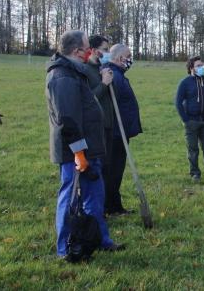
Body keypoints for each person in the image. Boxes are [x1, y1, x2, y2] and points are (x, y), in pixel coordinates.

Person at [45, 30, 124, 257]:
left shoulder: (75, 72)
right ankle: (67, 247)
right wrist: (79, 152)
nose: (92, 51)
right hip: (75, 153)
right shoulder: (62, 76)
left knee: (94, 198)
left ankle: (99, 239)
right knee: (70, 198)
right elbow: (67, 120)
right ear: (77, 51)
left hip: (90, 149)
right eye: (88, 47)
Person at [105, 43, 142, 216]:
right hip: (116, 133)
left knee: (116, 171)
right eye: (129, 57)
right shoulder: (114, 75)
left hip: (121, 131)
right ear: (120, 58)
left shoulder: (117, 74)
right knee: (113, 171)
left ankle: (114, 205)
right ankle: (111, 208)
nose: (130, 60)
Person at [176, 56, 204, 183]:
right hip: (192, 122)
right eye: (198, 66)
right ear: (191, 68)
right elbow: (178, 102)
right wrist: (186, 120)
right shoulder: (185, 83)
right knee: (193, 149)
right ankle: (195, 174)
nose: (202, 67)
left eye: (202, 65)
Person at [85, 35, 116, 215]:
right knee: (98, 168)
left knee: (107, 167)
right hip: (97, 127)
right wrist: (104, 84)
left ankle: (104, 206)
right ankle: (96, 208)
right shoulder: (86, 71)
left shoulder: (103, 68)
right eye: (104, 49)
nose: (106, 52)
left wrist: (109, 79)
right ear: (95, 50)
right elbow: (89, 99)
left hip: (109, 124)